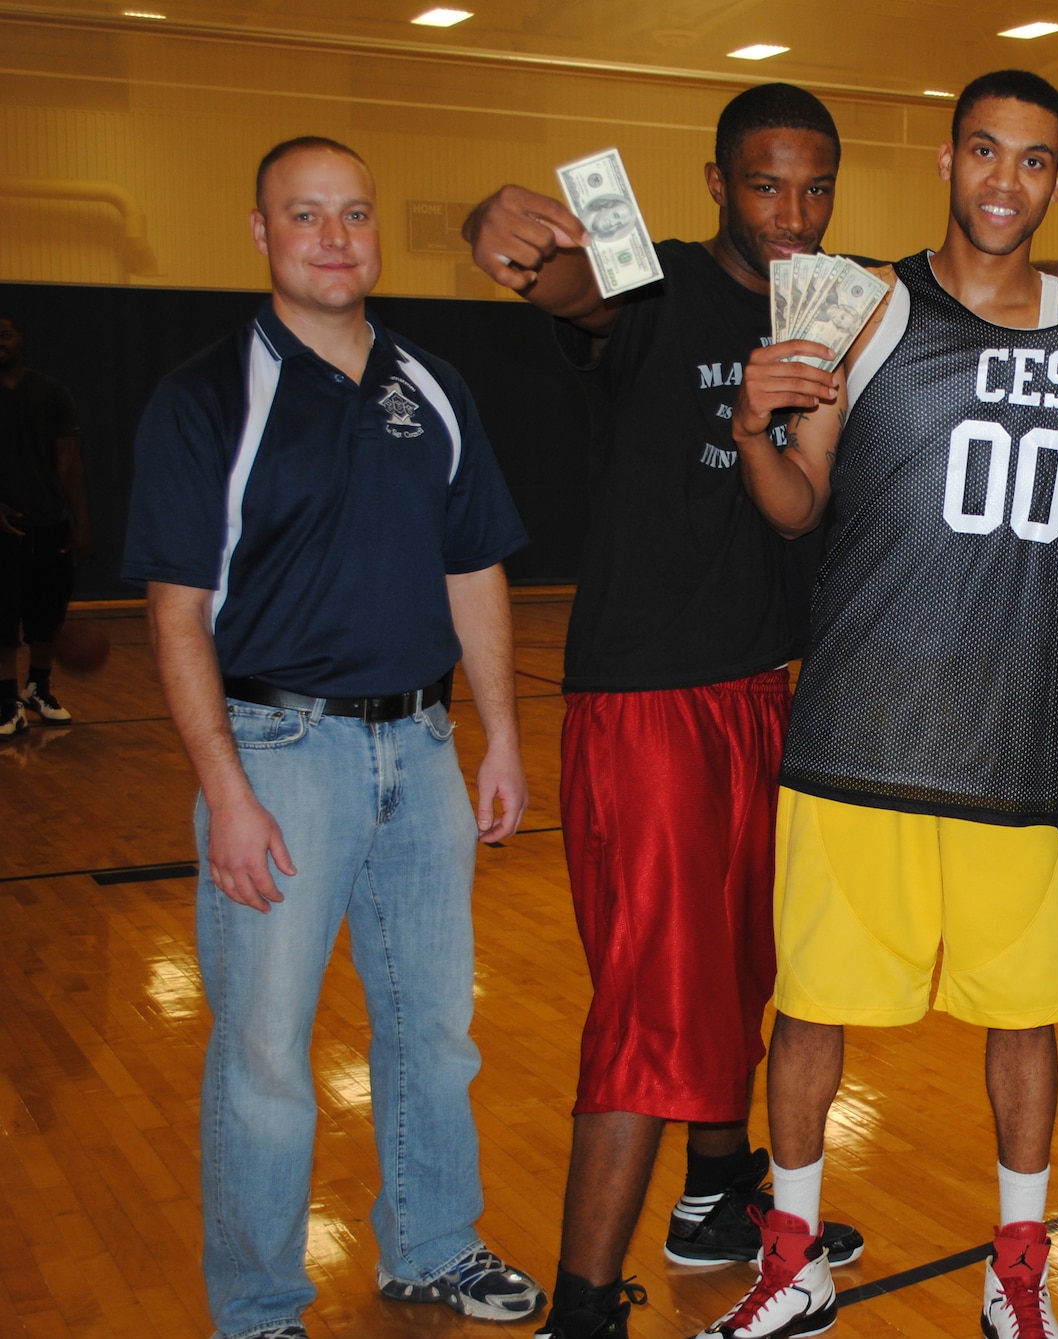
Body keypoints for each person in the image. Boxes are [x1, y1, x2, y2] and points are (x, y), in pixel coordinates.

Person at [709, 69, 1058, 1339]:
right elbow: (798, 504)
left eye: (1032, 161)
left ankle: (1013, 1268)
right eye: (984, 152)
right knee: (808, 1005)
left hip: (1022, 737)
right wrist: (755, 427)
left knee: (1024, 1017)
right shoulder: (859, 310)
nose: (1002, 182)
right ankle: (793, 1254)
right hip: (860, 725)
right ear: (945, 156)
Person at [123, 136, 544, 1339]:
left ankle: (431, 1245)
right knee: (263, 1057)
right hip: (277, 754)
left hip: (420, 753)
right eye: (305, 216)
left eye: (353, 215)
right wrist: (228, 789)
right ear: (261, 234)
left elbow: (475, 568)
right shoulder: (208, 396)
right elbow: (175, 614)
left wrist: (500, 739)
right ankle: (257, 1309)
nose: (334, 238)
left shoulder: (435, 386)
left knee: (433, 1031)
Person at [461, 84, 864, 1339]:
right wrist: (501, 230)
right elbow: (566, 282)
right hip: (647, 702)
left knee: (748, 967)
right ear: (714, 184)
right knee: (650, 1003)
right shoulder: (656, 281)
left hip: (763, 690)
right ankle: (584, 1307)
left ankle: (713, 1198)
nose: (791, 214)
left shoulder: (836, 301)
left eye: (813, 187)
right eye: (763, 185)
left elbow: (982, 266)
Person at [0, 312, 90, 736]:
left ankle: (38, 689)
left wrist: (81, 522)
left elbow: (69, 462)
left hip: (49, 523)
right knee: (3, 620)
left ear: (20, 339)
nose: (1, 341)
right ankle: (5, 701)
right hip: (4, 529)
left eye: (7, 333)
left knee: (47, 616)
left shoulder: (50, 392)